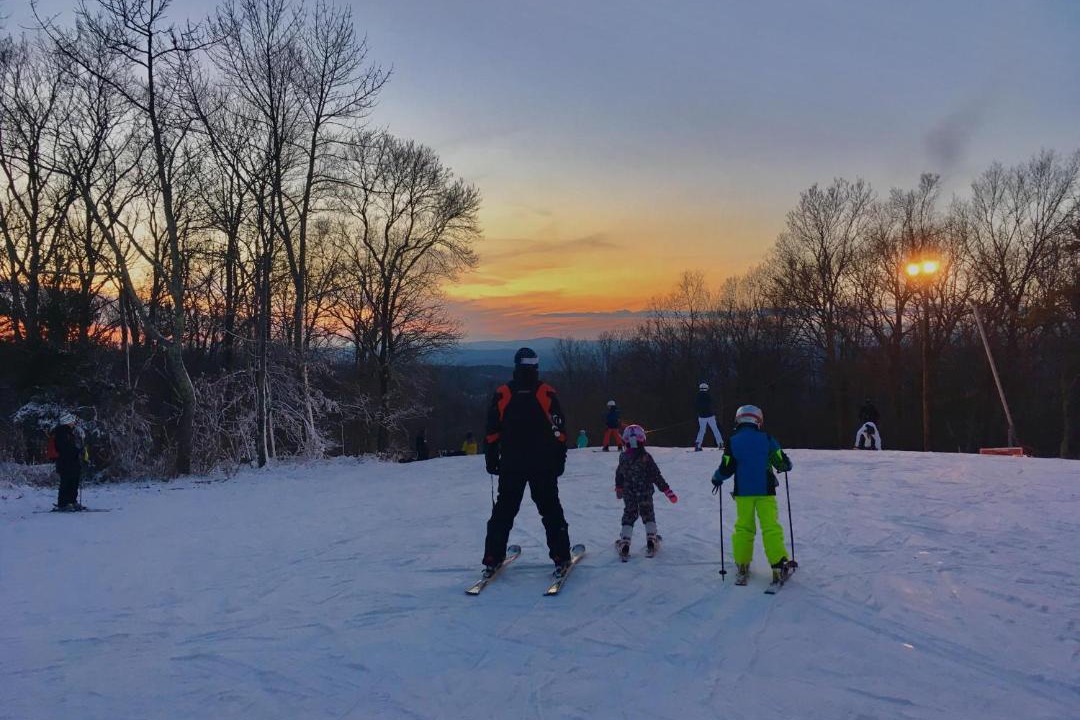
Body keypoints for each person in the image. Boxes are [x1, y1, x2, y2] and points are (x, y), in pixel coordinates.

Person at [482, 347, 573, 577]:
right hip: (543, 463)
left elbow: (492, 431)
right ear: (536, 366)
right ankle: (561, 556)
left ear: (516, 366)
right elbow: (560, 431)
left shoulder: (503, 393)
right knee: (550, 510)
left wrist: (491, 458)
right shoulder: (546, 392)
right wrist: (559, 459)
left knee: (504, 510)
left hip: (512, 463)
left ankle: (492, 556)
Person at [711, 404, 794, 585]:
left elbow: (726, 467)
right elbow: (781, 461)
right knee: (770, 527)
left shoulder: (733, 441)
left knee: (744, 527)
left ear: (738, 420)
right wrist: (786, 465)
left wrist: (717, 478)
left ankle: (742, 564)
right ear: (758, 420)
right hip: (765, 491)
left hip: (743, 493)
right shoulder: (767, 438)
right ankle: (778, 565)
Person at [614, 424, 677, 558]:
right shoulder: (646, 457)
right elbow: (656, 475)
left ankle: (625, 542)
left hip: (629, 494)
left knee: (629, 514)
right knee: (648, 513)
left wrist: (619, 487)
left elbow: (619, 474)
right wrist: (667, 490)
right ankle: (651, 539)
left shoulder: (623, 457)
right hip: (645, 493)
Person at [52, 413, 84, 511]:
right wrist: (77, 450)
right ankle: (63, 504)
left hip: (73, 463)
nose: (73, 423)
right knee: (66, 483)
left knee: (74, 482)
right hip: (65, 463)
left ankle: (72, 501)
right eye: (72, 421)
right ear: (67, 422)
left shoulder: (70, 432)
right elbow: (64, 448)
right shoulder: (61, 432)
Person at [694, 382, 724, 451]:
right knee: (715, 429)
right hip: (710, 416)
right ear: (706, 388)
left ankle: (698, 444)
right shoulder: (708, 395)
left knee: (702, 431)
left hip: (701, 417)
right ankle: (720, 444)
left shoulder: (697, 396)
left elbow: (696, 406)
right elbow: (712, 404)